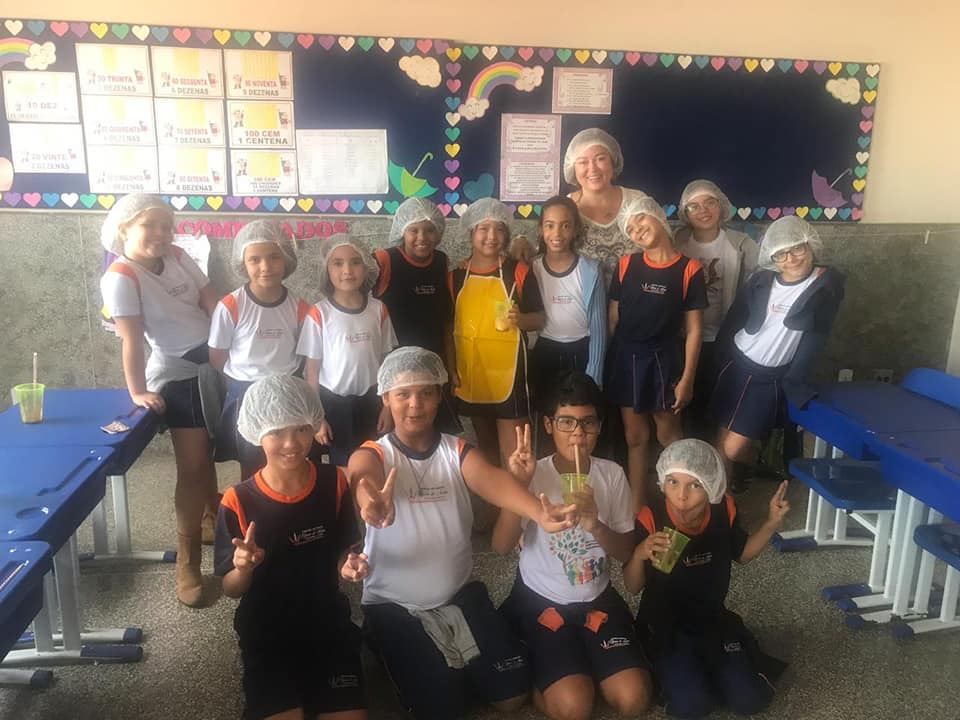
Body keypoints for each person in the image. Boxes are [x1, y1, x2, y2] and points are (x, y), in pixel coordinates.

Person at [347, 346, 576, 720]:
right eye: (403, 394)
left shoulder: (457, 450)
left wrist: (538, 511)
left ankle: (445, 658)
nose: (415, 404)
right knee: (442, 708)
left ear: (440, 396)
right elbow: (361, 473)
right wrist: (369, 500)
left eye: (426, 392)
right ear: (385, 397)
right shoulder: (376, 453)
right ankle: (383, 638)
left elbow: (491, 480)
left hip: (458, 593)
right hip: (393, 603)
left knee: (512, 694)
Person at [494, 371, 652, 720]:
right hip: (541, 599)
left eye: (588, 423)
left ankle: (579, 663)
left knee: (634, 699)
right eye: (566, 422)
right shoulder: (534, 474)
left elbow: (626, 552)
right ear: (549, 425)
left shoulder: (611, 474)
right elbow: (501, 545)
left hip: (597, 597)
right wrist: (517, 486)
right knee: (574, 707)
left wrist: (596, 525)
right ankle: (547, 676)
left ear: (599, 427)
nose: (578, 434)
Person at [214, 374, 366, 720]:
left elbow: (345, 549)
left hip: (327, 621)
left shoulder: (334, 482)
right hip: (267, 629)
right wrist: (243, 568)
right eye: (276, 433)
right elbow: (230, 589)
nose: (291, 443)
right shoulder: (237, 500)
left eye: (300, 429)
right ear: (256, 433)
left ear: (314, 425)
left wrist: (348, 564)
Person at [99, 193, 220, 607]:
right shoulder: (121, 276)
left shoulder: (179, 255)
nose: (161, 234)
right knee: (193, 465)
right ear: (125, 228)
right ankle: (188, 560)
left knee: (211, 450)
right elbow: (131, 340)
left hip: (214, 362)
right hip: (179, 374)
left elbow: (212, 301)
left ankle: (212, 519)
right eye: (149, 225)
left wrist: (231, 345)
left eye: (167, 225)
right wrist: (137, 391)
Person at [623, 439, 789, 718]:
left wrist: (771, 522)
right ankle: (691, 676)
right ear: (662, 482)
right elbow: (631, 586)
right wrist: (639, 553)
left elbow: (742, 554)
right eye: (673, 482)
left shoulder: (724, 510)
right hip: (665, 626)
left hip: (712, 619)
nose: (681, 496)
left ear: (712, 487)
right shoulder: (652, 517)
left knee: (749, 700)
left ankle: (714, 670)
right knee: (692, 706)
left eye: (695, 485)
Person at [709, 216, 845, 478]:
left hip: (769, 377)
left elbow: (818, 336)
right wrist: (720, 357)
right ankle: (722, 494)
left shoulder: (825, 286)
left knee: (734, 449)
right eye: (781, 253)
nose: (790, 259)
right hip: (737, 364)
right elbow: (735, 318)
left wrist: (796, 381)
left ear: (810, 245)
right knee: (722, 437)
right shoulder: (761, 280)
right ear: (771, 256)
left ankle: (757, 458)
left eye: (797, 249)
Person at [608, 197, 706, 510]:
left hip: (665, 362)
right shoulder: (626, 265)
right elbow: (613, 319)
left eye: (641, 221)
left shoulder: (689, 270)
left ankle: (680, 504)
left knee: (668, 435)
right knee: (635, 437)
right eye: (630, 229)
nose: (637, 230)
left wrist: (687, 379)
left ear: (658, 216)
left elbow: (694, 330)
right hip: (627, 359)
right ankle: (637, 508)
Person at [208, 219, 308, 481]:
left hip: (286, 392)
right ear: (243, 263)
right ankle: (251, 504)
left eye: (274, 257)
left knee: (289, 459)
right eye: (255, 259)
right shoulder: (230, 306)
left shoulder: (299, 307)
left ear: (286, 259)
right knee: (251, 463)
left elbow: (304, 352)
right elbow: (217, 356)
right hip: (245, 393)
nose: (265, 267)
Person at [451, 198, 545, 470]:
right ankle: (493, 496)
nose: (491, 236)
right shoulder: (455, 276)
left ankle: (516, 497)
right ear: (471, 232)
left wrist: (521, 319)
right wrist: (452, 367)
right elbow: (449, 326)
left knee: (514, 453)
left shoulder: (519, 271)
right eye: (483, 228)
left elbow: (539, 319)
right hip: (473, 372)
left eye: (499, 229)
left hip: (510, 375)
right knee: (487, 448)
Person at [297, 234, 397, 465]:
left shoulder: (378, 310)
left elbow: (387, 363)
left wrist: (388, 406)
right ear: (327, 270)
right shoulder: (319, 314)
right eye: (338, 263)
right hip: (334, 406)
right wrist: (316, 417)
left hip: (372, 402)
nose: (347, 270)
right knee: (342, 466)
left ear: (367, 266)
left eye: (355, 262)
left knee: (374, 461)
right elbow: (312, 372)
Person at [673, 180, 759, 441]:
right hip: (683, 338)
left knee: (720, 403)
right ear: (685, 213)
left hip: (725, 339)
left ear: (721, 206)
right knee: (688, 404)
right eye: (694, 206)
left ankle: (718, 459)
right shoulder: (677, 243)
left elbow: (759, 287)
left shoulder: (741, 245)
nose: (703, 210)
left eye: (709, 202)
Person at [373, 197, 460, 432]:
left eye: (429, 230)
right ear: (402, 230)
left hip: (433, 369)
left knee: (436, 437)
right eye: (414, 230)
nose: (422, 237)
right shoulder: (384, 260)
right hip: (395, 373)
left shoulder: (441, 262)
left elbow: (446, 322)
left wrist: (451, 368)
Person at [512, 128, 647, 277]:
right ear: (573, 168)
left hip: (636, 290)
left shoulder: (636, 202)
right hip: (581, 291)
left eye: (600, 159)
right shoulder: (565, 209)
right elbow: (543, 240)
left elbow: (662, 243)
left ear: (613, 161)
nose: (592, 168)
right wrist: (521, 241)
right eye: (583, 162)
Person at [529, 196, 606, 412]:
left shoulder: (590, 270)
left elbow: (598, 327)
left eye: (565, 226)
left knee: (580, 415)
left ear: (575, 229)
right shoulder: (531, 268)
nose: (557, 233)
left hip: (581, 352)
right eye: (549, 225)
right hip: (546, 352)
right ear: (541, 229)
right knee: (547, 415)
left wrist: (594, 371)